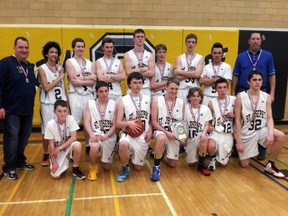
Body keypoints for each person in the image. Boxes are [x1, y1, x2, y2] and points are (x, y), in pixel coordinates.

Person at [231, 32, 276, 160]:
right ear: (249, 41)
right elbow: (236, 75)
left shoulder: (268, 56)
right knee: (239, 119)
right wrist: (233, 92)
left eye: (258, 39)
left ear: (261, 41)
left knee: (262, 119)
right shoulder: (241, 57)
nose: (255, 41)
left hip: (261, 90)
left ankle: (261, 149)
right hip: (243, 89)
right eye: (253, 39)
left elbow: (272, 75)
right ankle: (237, 146)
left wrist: (272, 93)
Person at [234, 70, 284, 178]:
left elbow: (269, 117)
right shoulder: (240, 97)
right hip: (247, 133)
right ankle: (243, 151)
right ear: (248, 82)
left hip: (261, 130)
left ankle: (271, 164)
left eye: (260, 80)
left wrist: (270, 132)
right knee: (244, 165)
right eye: (254, 80)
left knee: (280, 136)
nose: (257, 82)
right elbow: (237, 120)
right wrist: (238, 141)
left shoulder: (266, 96)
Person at [0, 37, 37, 180]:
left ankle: (20, 161)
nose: (24, 50)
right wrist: (0, 106)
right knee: (12, 138)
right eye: (21, 47)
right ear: (14, 48)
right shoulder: (5, 64)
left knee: (24, 137)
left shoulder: (29, 66)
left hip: (27, 109)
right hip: (11, 110)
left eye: (26, 48)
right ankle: (9, 167)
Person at [115, 72, 153, 182]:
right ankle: (125, 167)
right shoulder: (123, 100)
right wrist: (128, 123)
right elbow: (118, 123)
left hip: (143, 135)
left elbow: (151, 119)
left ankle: (129, 154)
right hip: (128, 133)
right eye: (135, 82)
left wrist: (150, 131)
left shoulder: (148, 99)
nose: (137, 85)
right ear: (129, 85)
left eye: (140, 83)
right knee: (123, 144)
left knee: (138, 168)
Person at [65, 38, 97, 154]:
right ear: (73, 47)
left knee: (89, 121)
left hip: (88, 95)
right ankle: (73, 147)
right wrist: (88, 79)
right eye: (78, 46)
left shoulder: (90, 63)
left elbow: (94, 80)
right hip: (75, 96)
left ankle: (89, 145)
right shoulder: (70, 62)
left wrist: (81, 79)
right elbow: (73, 81)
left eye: (82, 46)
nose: (80, 49)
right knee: (74, 123)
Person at [38, 41, 67, 166]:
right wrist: (60, 77)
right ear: (46, 54)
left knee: (64, 128)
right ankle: (45, 153)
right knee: (47, 130)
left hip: (61, 103)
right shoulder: (42, 68)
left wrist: (68, 104)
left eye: (56, 52)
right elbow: (46, 87)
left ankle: (64, 150)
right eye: (51, 52)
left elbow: (64, 89)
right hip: (48, 103)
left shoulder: (61, 68)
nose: (54, 54)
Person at [150, 77, 184, 182]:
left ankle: (159, 153)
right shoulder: (157, 101)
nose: (174, 91)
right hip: (161, 130)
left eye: (176, 89)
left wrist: (182, 137)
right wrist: (166, 133)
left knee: (172, 164)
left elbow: (181, 123)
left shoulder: (181, 102)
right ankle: (156, 167)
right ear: (166, 87)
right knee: (161, 138)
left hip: (174, 134)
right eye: (172, 88)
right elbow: (154, 122)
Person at [44, 100, 86, 180]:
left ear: (68, 110)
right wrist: (55, 162)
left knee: (77, 145)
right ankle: (61, 162)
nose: (62, 113)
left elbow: (74, 137)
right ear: (54, 112)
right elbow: (51, 145)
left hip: (67, 147)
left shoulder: (70, 119)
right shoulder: (50, 124)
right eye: (59, 111)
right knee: (56, 176)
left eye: (64, 111)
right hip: (57, 151)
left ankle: (75, 168)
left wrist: (60, 147)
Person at [84, 81, 117, 181]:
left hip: (109, 135)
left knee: (106, 167)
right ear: (96, 92)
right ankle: (93, 167)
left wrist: (105, 136)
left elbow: (115, 125)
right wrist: (91, 135)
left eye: (106, 91)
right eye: (101, 91)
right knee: (94, 145)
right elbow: (86, 122)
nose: (104, 94)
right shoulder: (90, 104)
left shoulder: (114, 104)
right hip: (96, 134)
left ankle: (102, 155)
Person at [207, 78, 235, 171]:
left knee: (222, 165)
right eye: (220, 88)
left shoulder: (234, 100)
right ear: (215, 89)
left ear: (228, 88)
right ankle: (212, 159)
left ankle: (220, 156)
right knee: (210, 146)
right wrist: (209, 126)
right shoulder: (211, 103)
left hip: (228, 133)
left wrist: (234, 115)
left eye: (224, 87)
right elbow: (207, 119)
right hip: (216, 132)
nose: (222, 90)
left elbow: (241, 116)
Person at [184, 87, 213, 176]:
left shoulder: (205, 109)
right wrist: (182, 138)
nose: (196, 98)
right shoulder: (184, 108)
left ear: (201, 98)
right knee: (191, 164)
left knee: (203, 137)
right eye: (193, 96)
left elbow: (207, 125)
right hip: (189, 139)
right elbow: (180, 125)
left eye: (198, 96)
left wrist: (204, 133)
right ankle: (197, 154)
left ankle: (201, 164)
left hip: (200, 136)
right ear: (189, 97)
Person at [174, 33, 204, 103]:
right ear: (186, 43)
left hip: (195, 89)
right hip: (182, 89)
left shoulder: (200, 58)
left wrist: (180, 71)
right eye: (189, 42)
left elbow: (197, 74)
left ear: (195, 44)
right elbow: (177, 77)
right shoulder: (179, 58)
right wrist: (192, 73)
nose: (191, 44)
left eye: (193, 42)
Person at [124, 29, 154, 98]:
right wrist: (142, 69)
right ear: (133, 39)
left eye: (142, 37)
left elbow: (151, 72)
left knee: (146, 109)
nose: (140, 38)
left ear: (144, 39)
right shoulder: (128, 54)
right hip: (132, 88)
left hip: (145, 88)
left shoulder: (150, 55)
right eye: (138, 37)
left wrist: (135, 73)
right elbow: (128, 72)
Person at [95, 37, 126, 103]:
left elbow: (123, 77)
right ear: (102, 48)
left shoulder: (118, 61)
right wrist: (116, 77)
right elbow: (100, 78)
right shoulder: (99, 61)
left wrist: (109, 76)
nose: (109, 49)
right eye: (107, 47)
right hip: (105, 95)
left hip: (117, 94)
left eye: (111, 47)